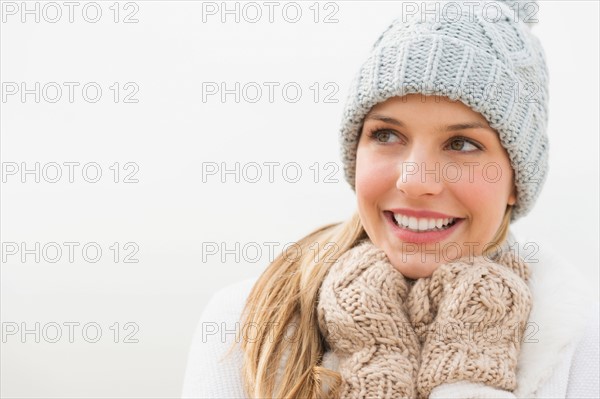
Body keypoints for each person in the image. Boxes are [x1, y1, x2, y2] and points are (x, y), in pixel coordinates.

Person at [182, 0, 599, 398]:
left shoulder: (576, 340)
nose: (416, 181)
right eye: (386, 135)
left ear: (515, 180)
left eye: (462, 144)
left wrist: (469, 378)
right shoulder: (250, 323)